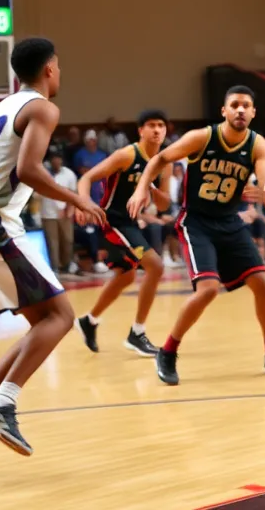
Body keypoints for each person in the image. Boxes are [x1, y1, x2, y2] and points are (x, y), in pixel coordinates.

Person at [0, 37, 106, 476]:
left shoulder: (3, 107)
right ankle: (2, 404)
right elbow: (29, 169)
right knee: (61, 317)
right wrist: (76, 198)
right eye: (59, 66)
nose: (60, 73)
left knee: (43, 323)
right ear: (49, 69)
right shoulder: (43, 109)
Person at [126, 87, 265, 385]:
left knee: (262, 283)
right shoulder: (202, 137)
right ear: (224, 111)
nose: (240, 110)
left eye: (246, 105)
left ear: (253, 112)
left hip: (230, 222)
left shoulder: (259, 145)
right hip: (197, 222)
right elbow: (160, 159)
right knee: (207, 290)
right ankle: (167, 352)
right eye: (234, 105)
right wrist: (142, 188)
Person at [75, 110, 172, 356]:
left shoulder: (165, 162)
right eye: (151, 125)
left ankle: (89, 320)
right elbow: (86, 178)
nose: (157, 130)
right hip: (112, 220)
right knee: (156, 266)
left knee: (126, 276)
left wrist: (151, 187)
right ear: (141, 130)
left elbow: (164, 205)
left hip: (131, 222)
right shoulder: (127, 155)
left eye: (161, 125)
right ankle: (137, 333)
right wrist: (83, 203)